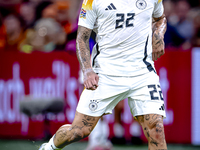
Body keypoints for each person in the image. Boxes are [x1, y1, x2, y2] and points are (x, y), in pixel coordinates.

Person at [39, 0, 167, 150]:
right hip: (106, 73)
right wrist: (87, 71)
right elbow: (82, 38)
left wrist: (158, 35)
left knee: (156, 130)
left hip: (142, 72)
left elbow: (160, 18)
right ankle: (49, 148)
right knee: (79, 131)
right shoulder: (93, 1)